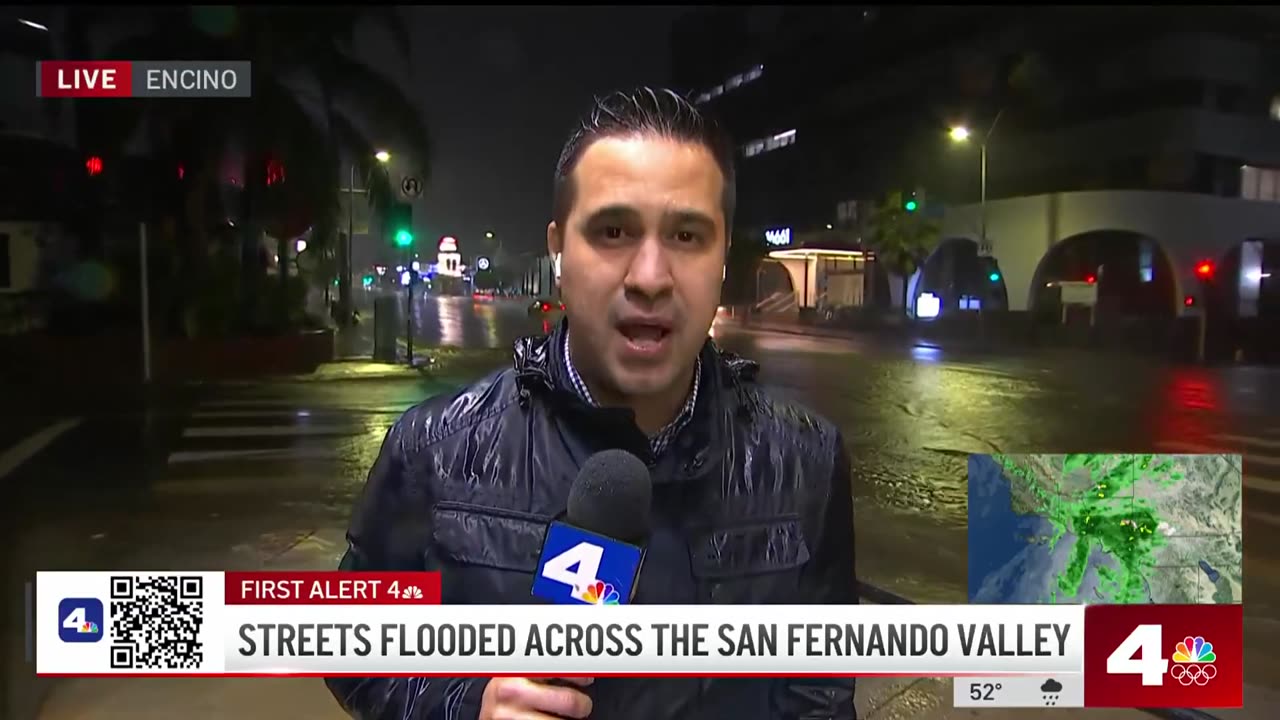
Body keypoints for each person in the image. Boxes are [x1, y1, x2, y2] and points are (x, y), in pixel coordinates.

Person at [326, 87, 858, 720]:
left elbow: (818, 691)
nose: (650, 277)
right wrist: (466, 704)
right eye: (612, 231)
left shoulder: (805, 460)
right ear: (559, 250)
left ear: (722, 263)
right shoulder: (434, 450)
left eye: (687, 234)